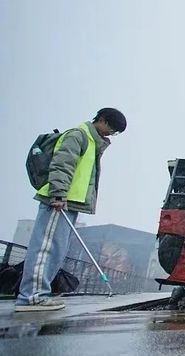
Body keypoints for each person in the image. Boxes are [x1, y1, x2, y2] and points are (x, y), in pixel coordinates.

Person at [15, 108, 127, 312]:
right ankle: (31, 297)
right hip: (58, 201)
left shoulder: (92, 142)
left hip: (70, 203)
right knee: (45, 248)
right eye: (112, 129)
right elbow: (62, 165)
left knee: (57, 251)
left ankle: (41, 294)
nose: (112, 134)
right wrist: (58, 193)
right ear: (102, 120)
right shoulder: (78, 135)